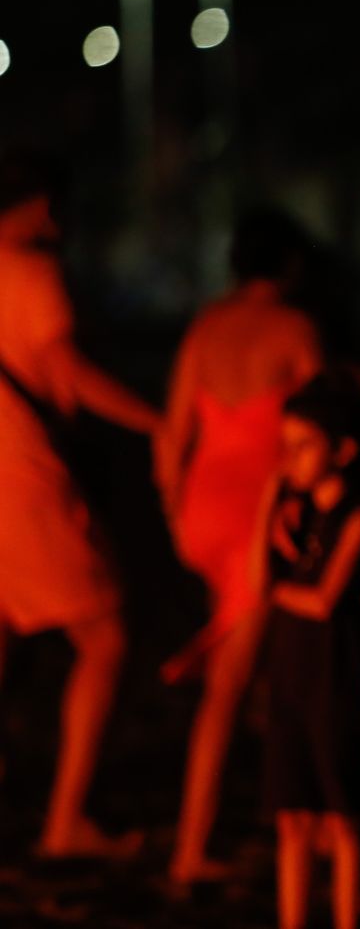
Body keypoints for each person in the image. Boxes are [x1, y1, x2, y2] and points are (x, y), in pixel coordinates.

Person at [0, 151, 162, 858]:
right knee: (106, 637)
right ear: (38, 204)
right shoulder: (31, 272)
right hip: (22, 470)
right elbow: (68, 371)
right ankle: (66, 823)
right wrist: (160, 423)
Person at [156, 209, 323, 883]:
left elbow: (172, 437)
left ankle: (262, 818)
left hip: (202, 513)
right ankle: (191, 848)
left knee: (248, 667)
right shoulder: (295, 329)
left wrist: (175, 519)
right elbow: (322, 414)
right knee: (229, 685)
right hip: (257, 518)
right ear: (290, 266)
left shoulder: (204, 328)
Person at [260, 374, 360, 929]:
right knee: (292, 817)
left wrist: (279, 591)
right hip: (290, 677)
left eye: (304, 445)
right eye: (286, 445)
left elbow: (326, 599)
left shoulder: (359, 516)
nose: (292, 459)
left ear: (343, 450)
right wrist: (267, 505)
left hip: (335, 682)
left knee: (342, 820)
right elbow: (253, 580)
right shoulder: (294, 518)